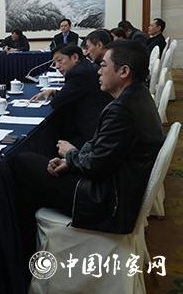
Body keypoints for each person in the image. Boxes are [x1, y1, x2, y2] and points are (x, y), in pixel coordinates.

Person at [12, 41, 163, 261]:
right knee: (36, 165)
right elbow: (103, 153)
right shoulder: (138, 95)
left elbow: (95, 167)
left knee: (21, 163)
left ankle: (24, 254)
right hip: (119, 188)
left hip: (107, 202)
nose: (98, 72)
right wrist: (72, 161)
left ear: (123, 71)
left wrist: (71, 155)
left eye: (103, 65)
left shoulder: (121, 110)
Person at [31, 45, 112, 148]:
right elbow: (76, 92)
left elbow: (57, 103)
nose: (57, 66)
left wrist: (57, 95)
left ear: (74, 57)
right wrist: (54, 92)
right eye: (55, 62)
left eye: (60, 60)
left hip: (91, 135)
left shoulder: (79, 73)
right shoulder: (85, 66)